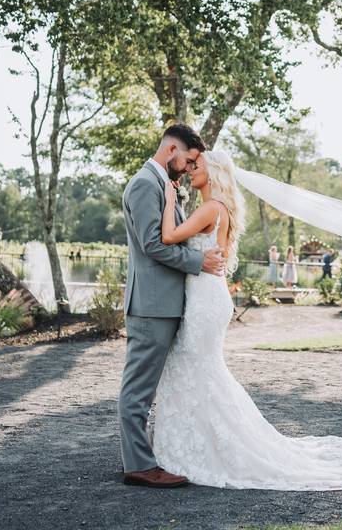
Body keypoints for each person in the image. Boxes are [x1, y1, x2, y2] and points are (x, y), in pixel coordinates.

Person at [152, 148, 342, 490]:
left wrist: (168, 198)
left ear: (213, 172)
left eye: (196, 165)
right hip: (209, 298)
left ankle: (205, 448)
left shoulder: (212, 208)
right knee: (200, 370)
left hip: (206, 302)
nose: (190, 169)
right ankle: (199, 444)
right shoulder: (216, 209)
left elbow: (168, 237)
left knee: (194, 367)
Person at [118, 124, 225, 489]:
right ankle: (139, 466)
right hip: (151, 305)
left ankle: (146, 457)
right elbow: (153, 245)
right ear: (172, 150)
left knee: (151, 389)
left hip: (164, 303)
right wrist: (199, 263)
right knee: (138, 391)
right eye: (189, 159)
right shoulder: (145, 184)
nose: (189, 167)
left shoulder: (163, 185)